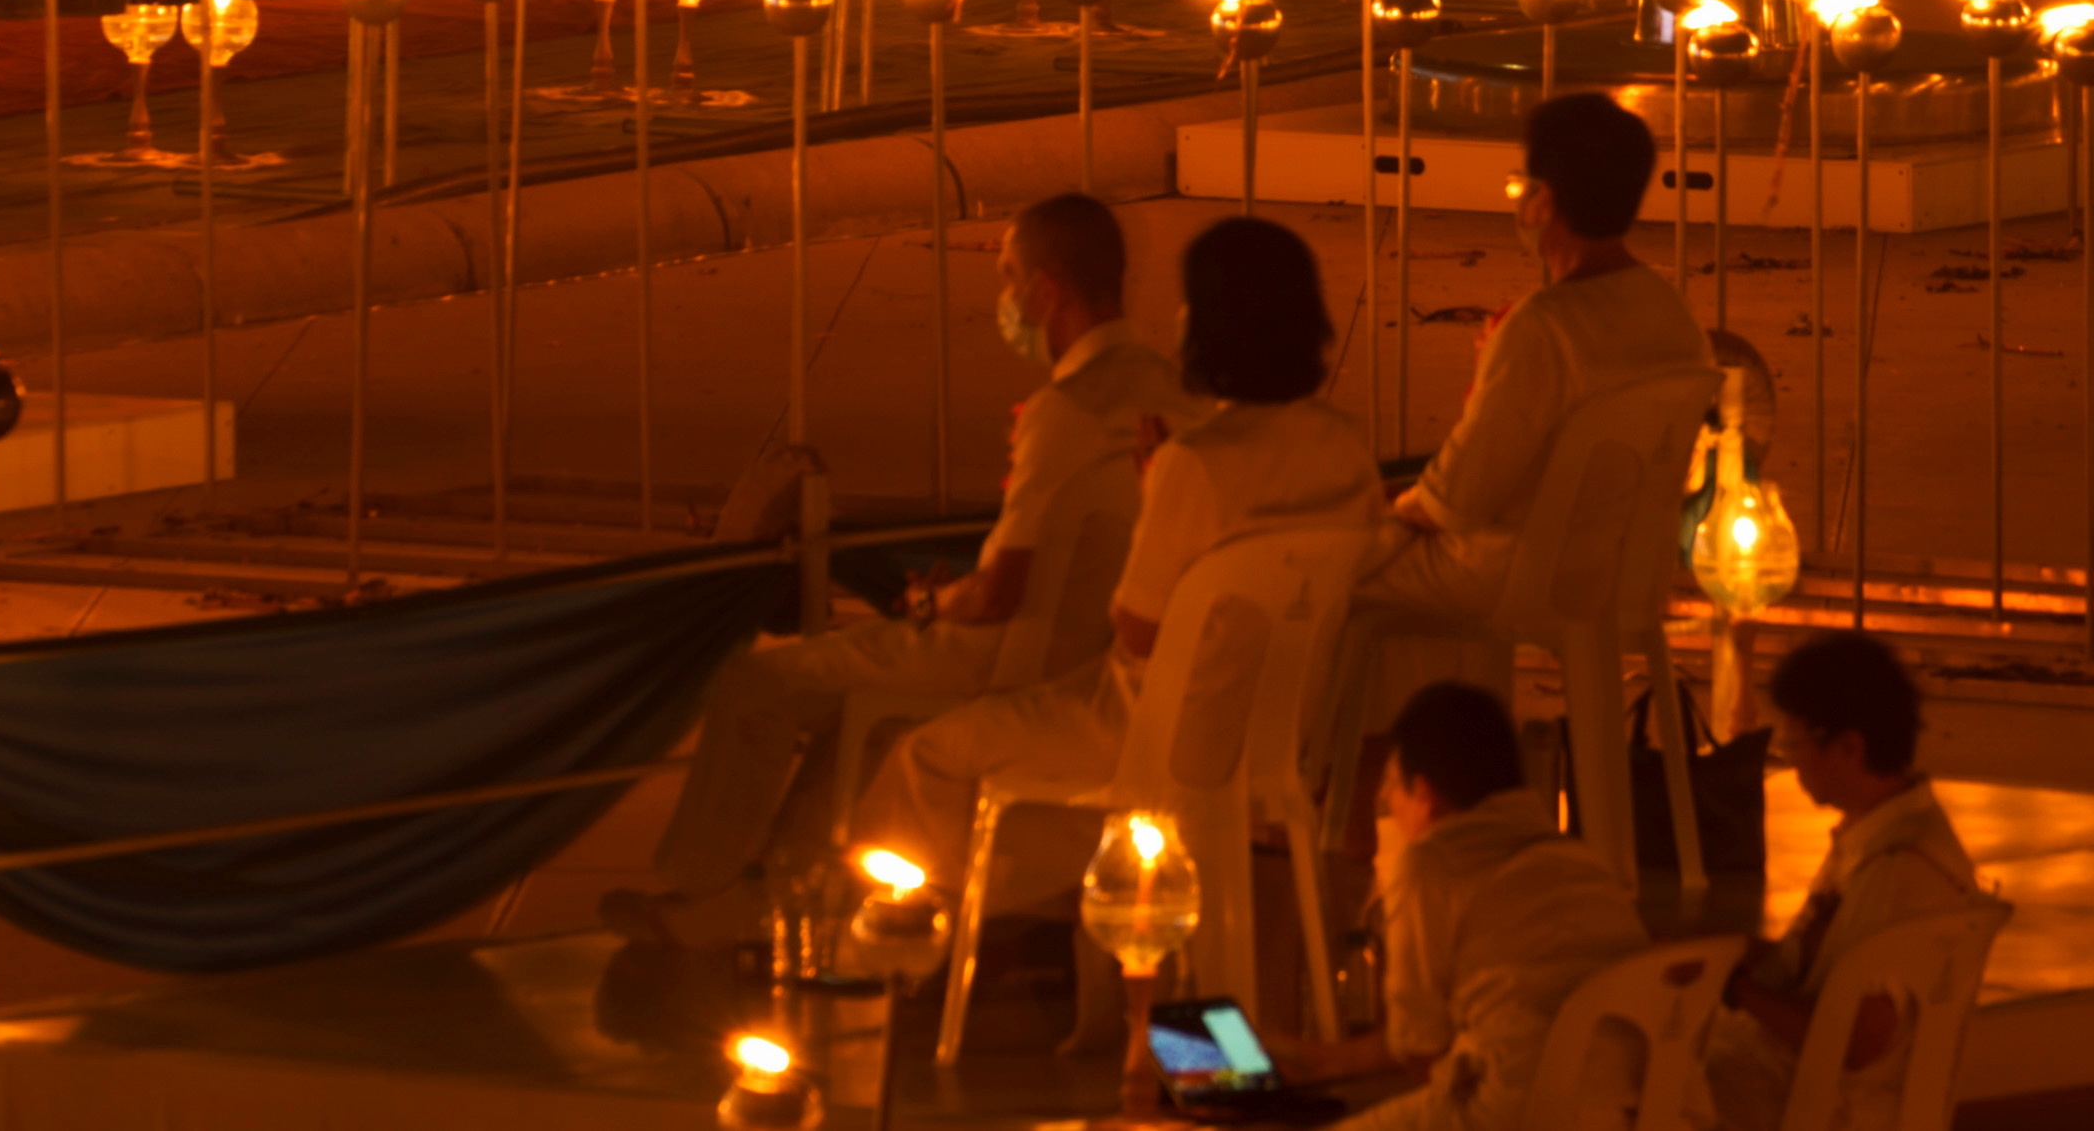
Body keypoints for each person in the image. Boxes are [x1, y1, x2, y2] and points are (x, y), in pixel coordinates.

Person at [602, 195, 1188, 951]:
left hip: (1002, 650)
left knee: (758, 688)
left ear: (1048, 291)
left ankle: (698, 888)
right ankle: (773, 890)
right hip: (1093, 655)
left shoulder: (1065, 410)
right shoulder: (1173, 395)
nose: (1005, 301)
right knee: (853, 720)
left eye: (1009, 278)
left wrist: (925, 599)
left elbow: (996, 592)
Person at [844, 213, 1382, 890]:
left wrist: (1156, 493)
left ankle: (912, 936)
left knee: (926, 753)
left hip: (1151, 724)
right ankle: (1028, 925)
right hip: (1280, 729)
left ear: (1207, 321)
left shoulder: (1195, 462)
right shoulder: (1343, 441)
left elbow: (1139, 627)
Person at [1363, 92, 1718, 632]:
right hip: (1620, 572)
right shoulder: (1669, 311)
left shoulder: (1540, 327)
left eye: (1520, 182)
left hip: (1507, 573)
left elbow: (1454, 502)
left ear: (1541, 201)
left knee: (1310, 571)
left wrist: (1381, 510)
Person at [1266, 682, 1652, 1131]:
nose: (1387, 800)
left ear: (1425, 793)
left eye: (1392, 785)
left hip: (1520, 1108)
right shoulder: (1576, 862)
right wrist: (1326, 1062)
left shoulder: (1432, 864)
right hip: (1637, 1107)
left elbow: (1420, 1052)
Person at [1698, 632, 1981, 1131]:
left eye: (1795, 743)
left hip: (1806, 1104)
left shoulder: (1899, 871)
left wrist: (1734, 990)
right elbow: (1824, 971)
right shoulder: (1882, 837)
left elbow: (1857, 1039)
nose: (1789, 758)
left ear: (1848, 747)